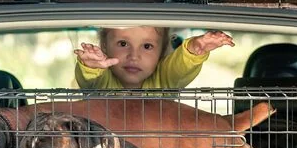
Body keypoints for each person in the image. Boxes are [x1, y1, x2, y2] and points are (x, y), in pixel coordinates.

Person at [74, 26, 234, 90]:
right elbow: (90, 80)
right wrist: (91, 66)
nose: (134, 56)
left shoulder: (164, 81)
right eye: (123, 44)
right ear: (104, 46)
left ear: (162, 52)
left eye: (147, 46)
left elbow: (178, 68)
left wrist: (194, 50)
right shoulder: (101, 83)